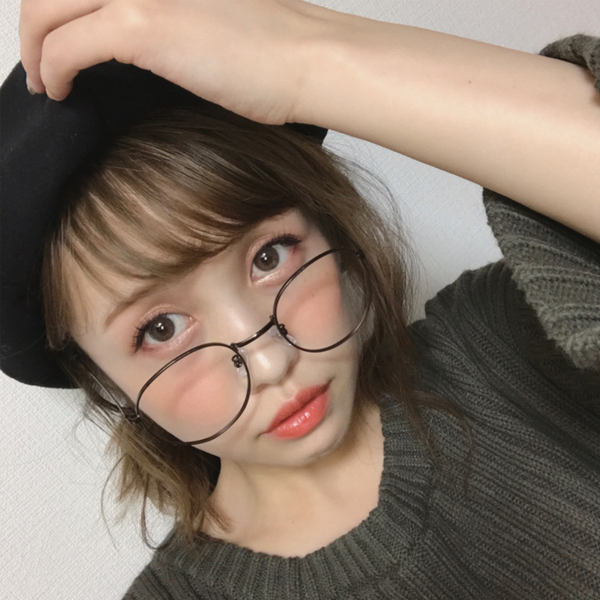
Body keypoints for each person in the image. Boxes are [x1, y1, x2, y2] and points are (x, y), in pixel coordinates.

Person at [1, 0, 599, 598]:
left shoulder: (507, 340)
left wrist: (307, 57)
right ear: (98, 373)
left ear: (326, 226)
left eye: (269, 257)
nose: (270, 362)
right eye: (161, 328)